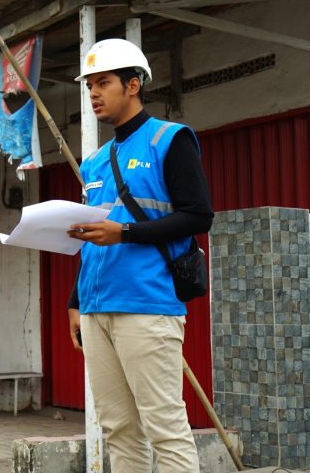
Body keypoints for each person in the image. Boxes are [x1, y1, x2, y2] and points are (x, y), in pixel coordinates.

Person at [65, 38, 214, 473]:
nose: (93, 92)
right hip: (96, 309)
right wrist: (76, 302)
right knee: (119, 430)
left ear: (133, 85)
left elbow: (199, 216)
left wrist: (126, 232)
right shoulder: (94, 162)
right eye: (89, 85)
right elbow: (95, 238)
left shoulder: (170, 140)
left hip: (147, 305)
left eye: (103, 82)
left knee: (165, 428)